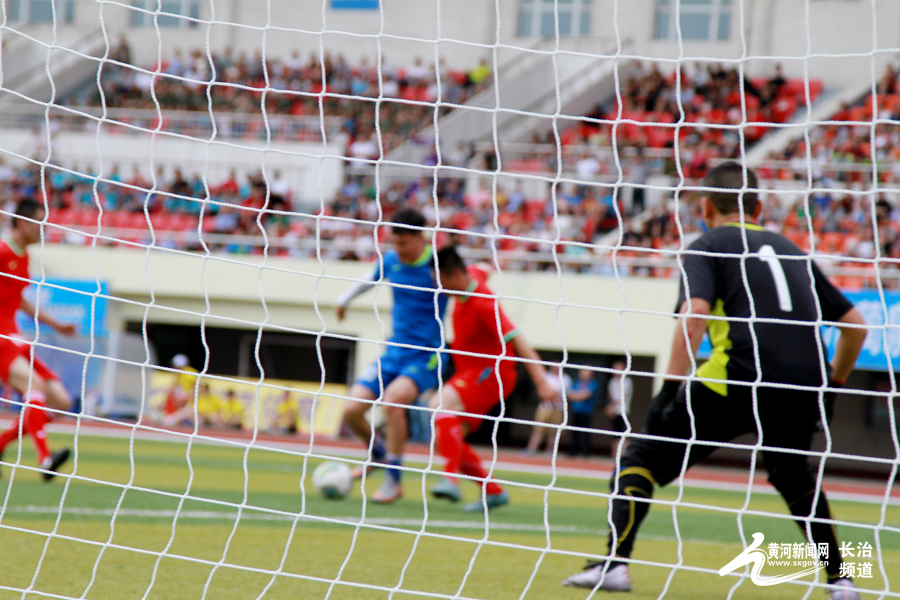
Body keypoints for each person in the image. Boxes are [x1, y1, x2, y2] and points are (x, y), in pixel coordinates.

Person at [563, 161, 868, 599]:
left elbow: (695, 316)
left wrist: (667, 392)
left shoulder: (707, 244)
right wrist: (833, 388)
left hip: (738, 377)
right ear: (759, 206)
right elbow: (856, 325)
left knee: (640, 458)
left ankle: (615, 566)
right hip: (804, 386)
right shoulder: (793, 250)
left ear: (704, 206)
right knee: (793, 476)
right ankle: (841, 581)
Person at [428, 246, 559, 511]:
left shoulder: (483, 303)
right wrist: (498, 261)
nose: (438, 288)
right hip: (470, 373)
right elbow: (484, 267)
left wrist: (542, 381)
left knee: (437, 406)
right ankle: (493, 491)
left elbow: (518, 340)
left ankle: (450, 480)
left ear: (453, 274)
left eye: (439, 281)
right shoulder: (472, 275)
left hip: (490, 374)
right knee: (447, 438)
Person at [337, 208, 448, 504]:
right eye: (392, 243)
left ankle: (393, 480)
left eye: (402, 244)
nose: (396, 250)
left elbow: (467, 283)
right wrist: (343, 299)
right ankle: (379, 454)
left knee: (393, 404)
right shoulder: (390, 261)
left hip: (427, 355)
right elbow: (370, 277)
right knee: (351, 410)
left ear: (420, 238)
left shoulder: (439, 265)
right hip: (394, 351)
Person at [0, 199, 77, 481]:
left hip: (13, 336)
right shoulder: (2, 250)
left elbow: (18, 300)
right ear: (22, 222)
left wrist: (56, 324)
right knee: (35, 386)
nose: (44, 229)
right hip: (1, 338)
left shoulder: (21, 257)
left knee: (62, 400)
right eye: (39, 222)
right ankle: (45, 459)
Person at [523, 364, 570, 455]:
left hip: (557, 409)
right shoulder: (546, 375)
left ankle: (550, 451)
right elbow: (541, 391)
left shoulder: (566, 379)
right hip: (544, 407)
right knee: (538, 430)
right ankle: (531, 449)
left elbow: (566, 395)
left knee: (553, 432)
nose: (555, 368)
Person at [567, 368, 599, 458]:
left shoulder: (593, 383)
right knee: (574, 432)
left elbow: (586, 395)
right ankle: (573, 451)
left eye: (585, 372)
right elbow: (569, 395)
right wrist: (579, 395)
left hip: (587, 412)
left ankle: (586, 453)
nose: (583, 374)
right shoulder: (576, 382)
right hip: (576, 411)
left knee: (585, 433)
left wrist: (577, 395)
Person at [605, 360, 632, 457]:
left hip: (622, 411)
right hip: (613, 411)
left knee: (623, 433)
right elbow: (610, 395)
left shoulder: (627, 381)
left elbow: (623, 396)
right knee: (614, 434)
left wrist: (611, 406)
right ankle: (615, 453)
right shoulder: (612, 381)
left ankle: (624, 454)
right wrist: (609, 406)